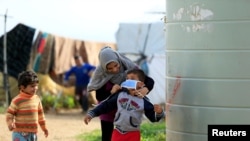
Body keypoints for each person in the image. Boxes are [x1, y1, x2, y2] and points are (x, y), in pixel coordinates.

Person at [87, 46, 154, 141]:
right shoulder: (101, 75)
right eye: (109, 68)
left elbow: (149, 81)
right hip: (108, 110)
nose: (114, 70)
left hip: (126, 109)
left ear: (118, 60)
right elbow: (99, 96)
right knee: (107, 137)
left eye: (116, 65)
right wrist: (111, 92)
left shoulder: (129, 68)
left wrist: (146, 88)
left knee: (127, 136)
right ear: (104, 67)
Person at [84, 69, 165, 141]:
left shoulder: (144, 101)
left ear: (141, 84)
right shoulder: (120, 94)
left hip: (133, 134)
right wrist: (92, 113)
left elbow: (153, 118)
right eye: (127, 78)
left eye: (132, 78)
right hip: (117, 132)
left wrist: (159, 113)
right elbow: (106, 105)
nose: (128, 80)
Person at [6, 70, 49, 141]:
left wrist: (44, 128)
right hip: (19, 133)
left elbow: (41, 116)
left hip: (33, 134)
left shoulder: (37, 99)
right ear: (22, 87)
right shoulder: (17, 100)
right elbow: (9, 113)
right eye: (32, 86)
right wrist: (10, 123)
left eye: (36, 86)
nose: (35, 88)